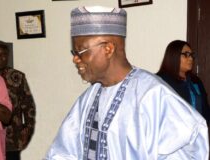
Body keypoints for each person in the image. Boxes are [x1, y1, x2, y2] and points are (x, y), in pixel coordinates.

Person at [45, 6, 209, 160]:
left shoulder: (153, 97)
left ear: (108, 49)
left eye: (80, 51)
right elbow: (62, 153)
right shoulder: (88, 99)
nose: (75, 59)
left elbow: (191, 142)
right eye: (74, 52)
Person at [0, 41, 36, 160]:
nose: (0, 57)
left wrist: (27, 129)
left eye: (3, 54)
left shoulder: (17, 77)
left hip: (12, 137)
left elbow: (29, 106)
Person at [157, 40, 210, 123]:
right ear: (174, 56)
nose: (191, 58)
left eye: (191, 55)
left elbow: (205, 110)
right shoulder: (161, 81)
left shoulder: (195, 81)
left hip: (197, 133)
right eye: (186, 54)